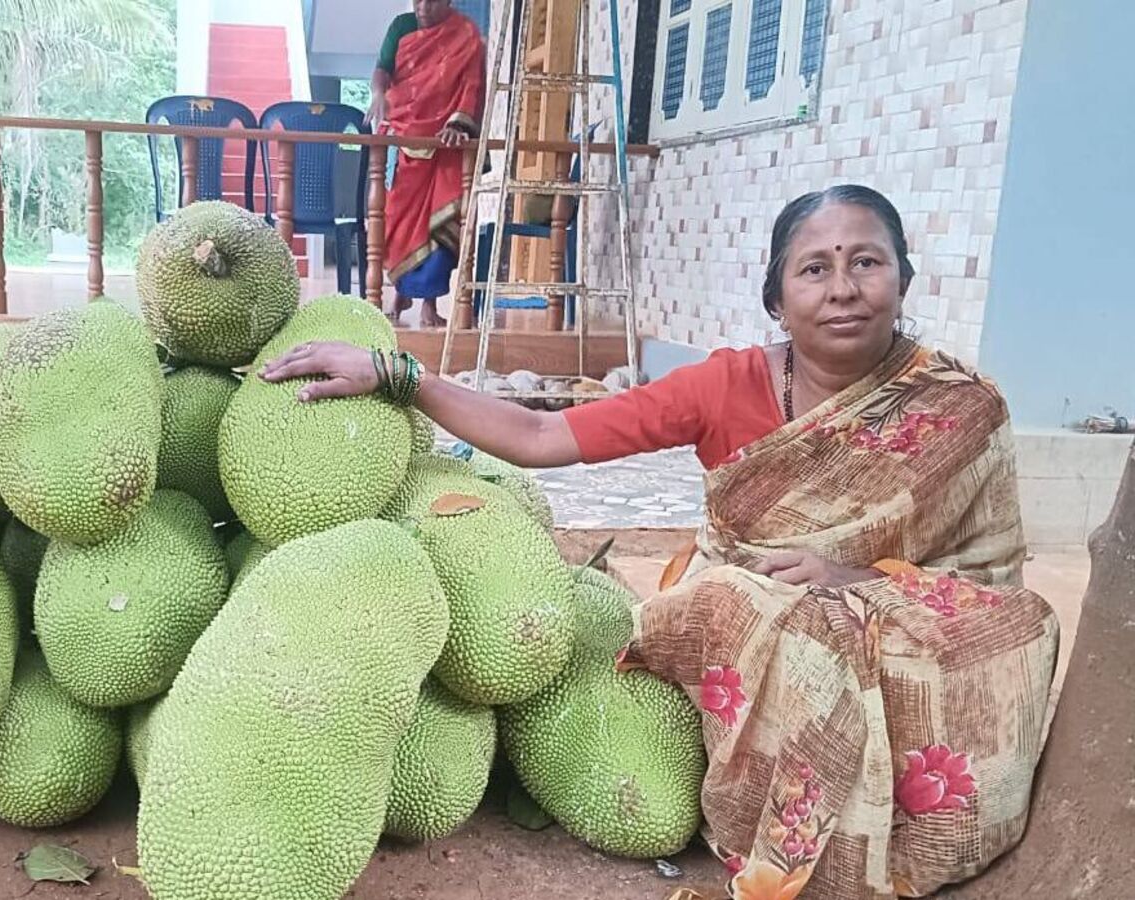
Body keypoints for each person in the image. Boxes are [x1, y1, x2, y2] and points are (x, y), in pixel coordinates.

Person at [261, 185, 1060, 899]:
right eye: (814, 269)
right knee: (740, 602)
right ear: (778, 299)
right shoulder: (725, 383)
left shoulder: (959, 409)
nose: (843, 287)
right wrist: (397, 373)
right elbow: (543, 435)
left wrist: (852, 576)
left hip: (890, 622)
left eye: (866, 262)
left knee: (1019, 626)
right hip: (739, 612)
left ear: (904, 281)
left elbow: (986, 583)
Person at [366, 0, 485, 327]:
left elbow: (472, 86)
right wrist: (378, 93)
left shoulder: (465, 34)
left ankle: (429, 305)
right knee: (398, 222)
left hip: (445, 143)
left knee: (441, 223)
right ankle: (400, 293)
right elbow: (382, 69)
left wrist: (458, 124)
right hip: (405, 137)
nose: (423, 6)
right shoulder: (401, 26)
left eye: (432, 0)